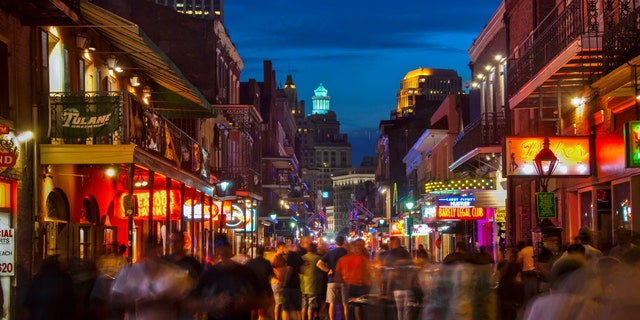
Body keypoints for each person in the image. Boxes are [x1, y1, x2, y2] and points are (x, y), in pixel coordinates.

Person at [187, 239, 266, 320]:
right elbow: (191, 303)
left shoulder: (246, 273)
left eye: (225, 247)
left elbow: (264, 301)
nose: (223, 250)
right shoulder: (209, 275)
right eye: (220, 247)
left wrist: (244, 303)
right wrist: (213, 303)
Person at [23, 256, 75, 320]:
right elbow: (70, 300)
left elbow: (29, 300)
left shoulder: (38, 279)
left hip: (41, 315)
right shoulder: (65, 279)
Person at [335, 238, 372, 320]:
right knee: (361, 307)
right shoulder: (362, 259)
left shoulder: (342, 259)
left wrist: (338, 287)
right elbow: (368, 273)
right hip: (360, 286)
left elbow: (337, 275)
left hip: (348, 286)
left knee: (350, 307)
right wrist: (369, 286)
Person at [317, 235, 349, 320]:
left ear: (335, 243)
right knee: (345, 304)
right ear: (344, 242)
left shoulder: (330, 253)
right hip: (344, 280)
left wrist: (328, 270)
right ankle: (345, 318)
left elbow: (319, 263)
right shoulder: (347, 253)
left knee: (332, 303)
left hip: (332, 280)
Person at [384, 236, 415, 320]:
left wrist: (387, 290)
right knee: (407, 310)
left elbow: (390, 273)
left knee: (399, 310)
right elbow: (412, 271)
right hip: (407, 287)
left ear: (393, 243)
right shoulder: (406, 253)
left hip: (397, 287)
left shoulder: (390, 254)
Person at [247, 245, 276, 320]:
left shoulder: (250, 262)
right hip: (264, 290)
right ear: (263, 253)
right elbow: (272, 274)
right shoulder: (266, 262)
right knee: (262, 312)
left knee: (253, 311)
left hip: (252, 290)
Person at [300, 242, 325, 320]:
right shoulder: (318, 258)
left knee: (304, 305)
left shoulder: (302, 258)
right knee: (311, 305)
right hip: (314, 285)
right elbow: (323, 269)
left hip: (303, 285)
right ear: (315, 249)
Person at [516, 239, 538, 303]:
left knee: (526, 287)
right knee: (534, 286)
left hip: (525, 270)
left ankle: (528, 301)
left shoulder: (523, 250)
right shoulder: (534, 249)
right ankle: (534, 300)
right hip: (533, 270)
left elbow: (518, 261)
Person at [271, 242, 288, 320]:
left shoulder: (282, 257)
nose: (284, 249)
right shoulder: (275, 257)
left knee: (281, 302)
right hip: (277, 283)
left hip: (281, 283)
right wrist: (275, 278)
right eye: (282, 248)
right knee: (279, 303)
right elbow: (269, 269)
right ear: (277, 248)